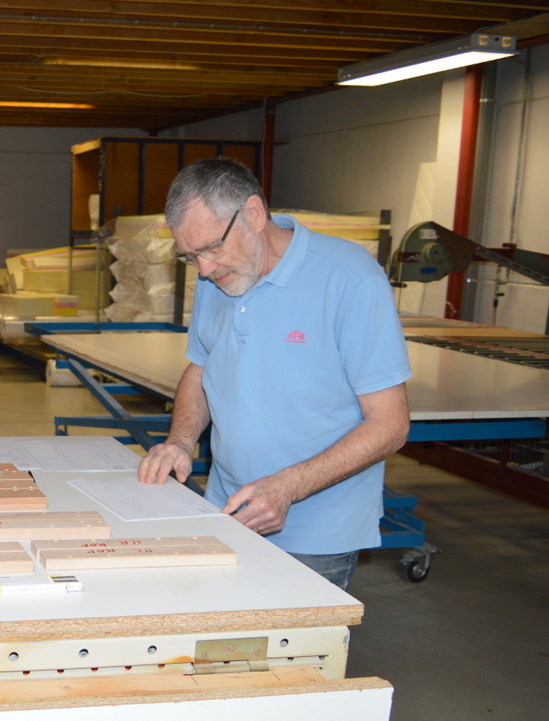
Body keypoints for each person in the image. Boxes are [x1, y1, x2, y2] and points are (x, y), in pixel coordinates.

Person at [136, 157, 412, 590]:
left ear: (253, 214)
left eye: (211, 248)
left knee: (293, 636)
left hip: (316, 533)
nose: (204, 269)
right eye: (191, 256)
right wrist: (180, 441)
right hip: (226, 508)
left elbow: (390, 425)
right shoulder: (218, 279)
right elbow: (202, 368)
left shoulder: (349, 278)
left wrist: (288, 487)